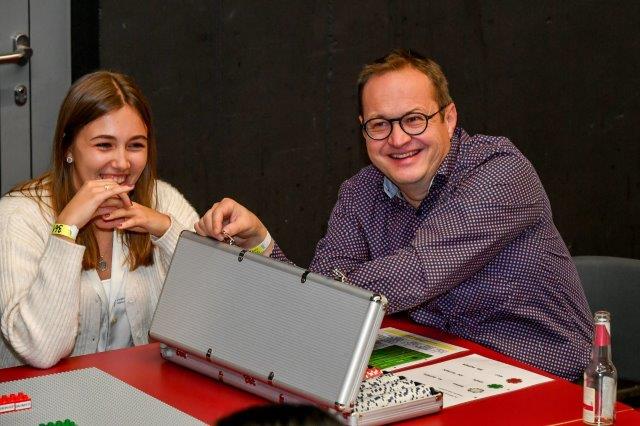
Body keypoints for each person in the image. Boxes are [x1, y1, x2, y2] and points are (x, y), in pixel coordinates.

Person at [195, 49, 592, 381]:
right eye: (380, 124)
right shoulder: (359, 193)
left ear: (449, 118)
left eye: (414, 119)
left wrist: (324, 295)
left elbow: (418, 272)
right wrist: (261, 243)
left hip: (549, 381)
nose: (398, 139)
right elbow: (320, 301)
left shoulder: (499, 170)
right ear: (363, 130)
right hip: (443, 372)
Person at [0, 71, 199, 368]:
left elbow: (212, 314)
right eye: (104, 145)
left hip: (139, 389)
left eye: (135, 145)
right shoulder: (18, 216)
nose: (122, 163)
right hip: (44, 395)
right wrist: (65, 229)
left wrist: (167, 231)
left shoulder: (163, 200)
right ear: (68, 149)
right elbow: (42, 350)